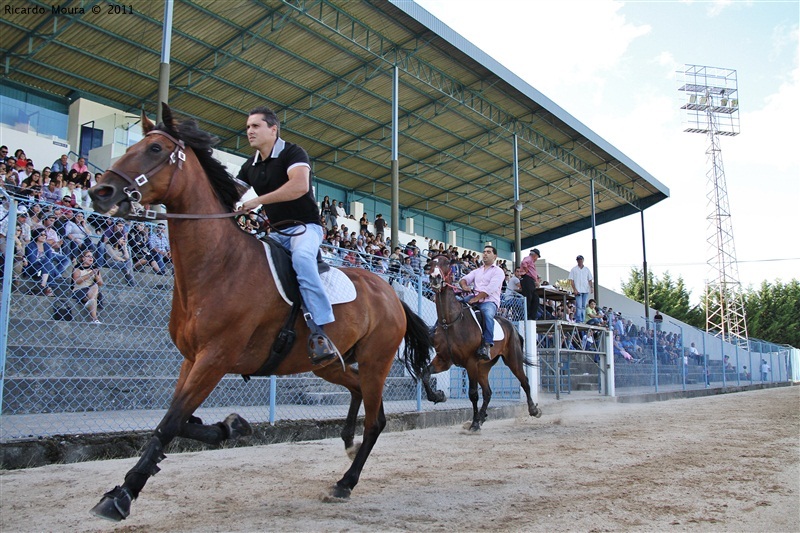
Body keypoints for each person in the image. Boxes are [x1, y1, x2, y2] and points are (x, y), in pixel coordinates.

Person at [237, 105, 339, 365]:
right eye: (248, 127)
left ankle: (320, 332)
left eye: (255, 126)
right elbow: (230, 192)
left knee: (303, 259)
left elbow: (299, 186)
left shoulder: (294, 152)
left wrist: (257, 200)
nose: (249, 131)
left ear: (273, 129)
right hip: (276, 232)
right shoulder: (249, 166)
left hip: (306, 228)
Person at [458, 245, 505, 361]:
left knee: (487, 314)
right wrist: (464, 286)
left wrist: (475, 299)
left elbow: (490, 290)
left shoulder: (499, 272)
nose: (485, 254)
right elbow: (463, 280)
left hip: (489, 301)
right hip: (474, 297)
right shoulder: (477, 271)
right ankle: (435, 330)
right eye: (484, 252)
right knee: (455, 305)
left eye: (488, 252)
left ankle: (487, 344)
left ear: (495, 256)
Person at [25, 228, 62, 296]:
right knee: (47, 263)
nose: (43, 236)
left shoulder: (47, 246)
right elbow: (32, 261)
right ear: (36, 235)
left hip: (44, 268)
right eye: (41, 235)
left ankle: (44, 285)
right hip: (33, 268)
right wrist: (43, 261)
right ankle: (47, 287)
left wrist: (43, 261)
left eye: (45, 235)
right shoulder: (30, 246)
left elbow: (50, 259)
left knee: (48, 263)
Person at [72, 250, 104, 324]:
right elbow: (77, 281)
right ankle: (95, 318)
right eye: (88, 256)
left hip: (90, 291)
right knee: (94, 296)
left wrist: (96, 275)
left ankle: (91, 302)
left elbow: (100, 283)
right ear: (83, 258)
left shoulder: (95, 268)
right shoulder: (77, 268)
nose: (91, 258)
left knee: (95, 286)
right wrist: (90, 274)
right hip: (79, 290)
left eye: (92, 257)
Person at [569, 254, 594, 323]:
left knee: (583, 306)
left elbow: (590, 279)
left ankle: (582, 320)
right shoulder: (574, 269)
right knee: (579, 306)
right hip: (578, 290)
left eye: (581, 259)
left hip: (585, 290)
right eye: (578, 260)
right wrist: (575, 289)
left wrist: (591, 287)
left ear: (583, 260)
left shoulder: (586, 269)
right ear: (577, 261)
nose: (580, 261)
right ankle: (579, 319)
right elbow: (571, 280)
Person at [519, 248, 541, 320]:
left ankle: (532, 316)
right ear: (535, 255)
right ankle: (527, 316)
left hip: (530, 280)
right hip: (527, 279)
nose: (537, 259)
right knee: (528, 298)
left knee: (535, 299)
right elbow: (524, 263)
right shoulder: (529, 258)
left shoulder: (531, 260)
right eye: (537, 257)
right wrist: (526, 270)